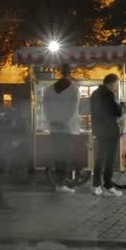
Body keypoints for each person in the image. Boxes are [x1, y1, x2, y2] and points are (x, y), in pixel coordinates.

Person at [41, 63, 81, 193]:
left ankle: (59, 183)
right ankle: (61, 184)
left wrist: (53, 121)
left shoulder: (48, 90)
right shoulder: (74, 89)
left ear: (59, 72)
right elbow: (73, 109)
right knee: (66, 157)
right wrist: (64, 122)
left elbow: (46, 109)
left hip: (54, 129)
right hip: (68, 129)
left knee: (58, 156)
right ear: (70, 72)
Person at [88, 73, 124, 198]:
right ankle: (108, 185)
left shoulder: (95, 94)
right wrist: (122, 104)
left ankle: (96, 185)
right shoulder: (109, 95)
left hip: (99, 130)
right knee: (109, 159)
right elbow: (118, 112)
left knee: (100, 158)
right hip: (110, 131)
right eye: (116, 84)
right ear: (112, 84)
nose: (116, 87)